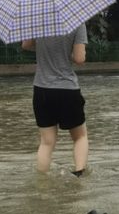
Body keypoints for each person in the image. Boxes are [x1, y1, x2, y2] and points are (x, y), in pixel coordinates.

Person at [21, 24, 88, 176]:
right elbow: (79, 58)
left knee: (46, 142)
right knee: (80, 137)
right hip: (67, 89)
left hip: (41, 89)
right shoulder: (77, 22)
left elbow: (25, 45)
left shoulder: (37, 18)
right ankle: (79, 177)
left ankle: (42, 184)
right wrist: (68, 52)